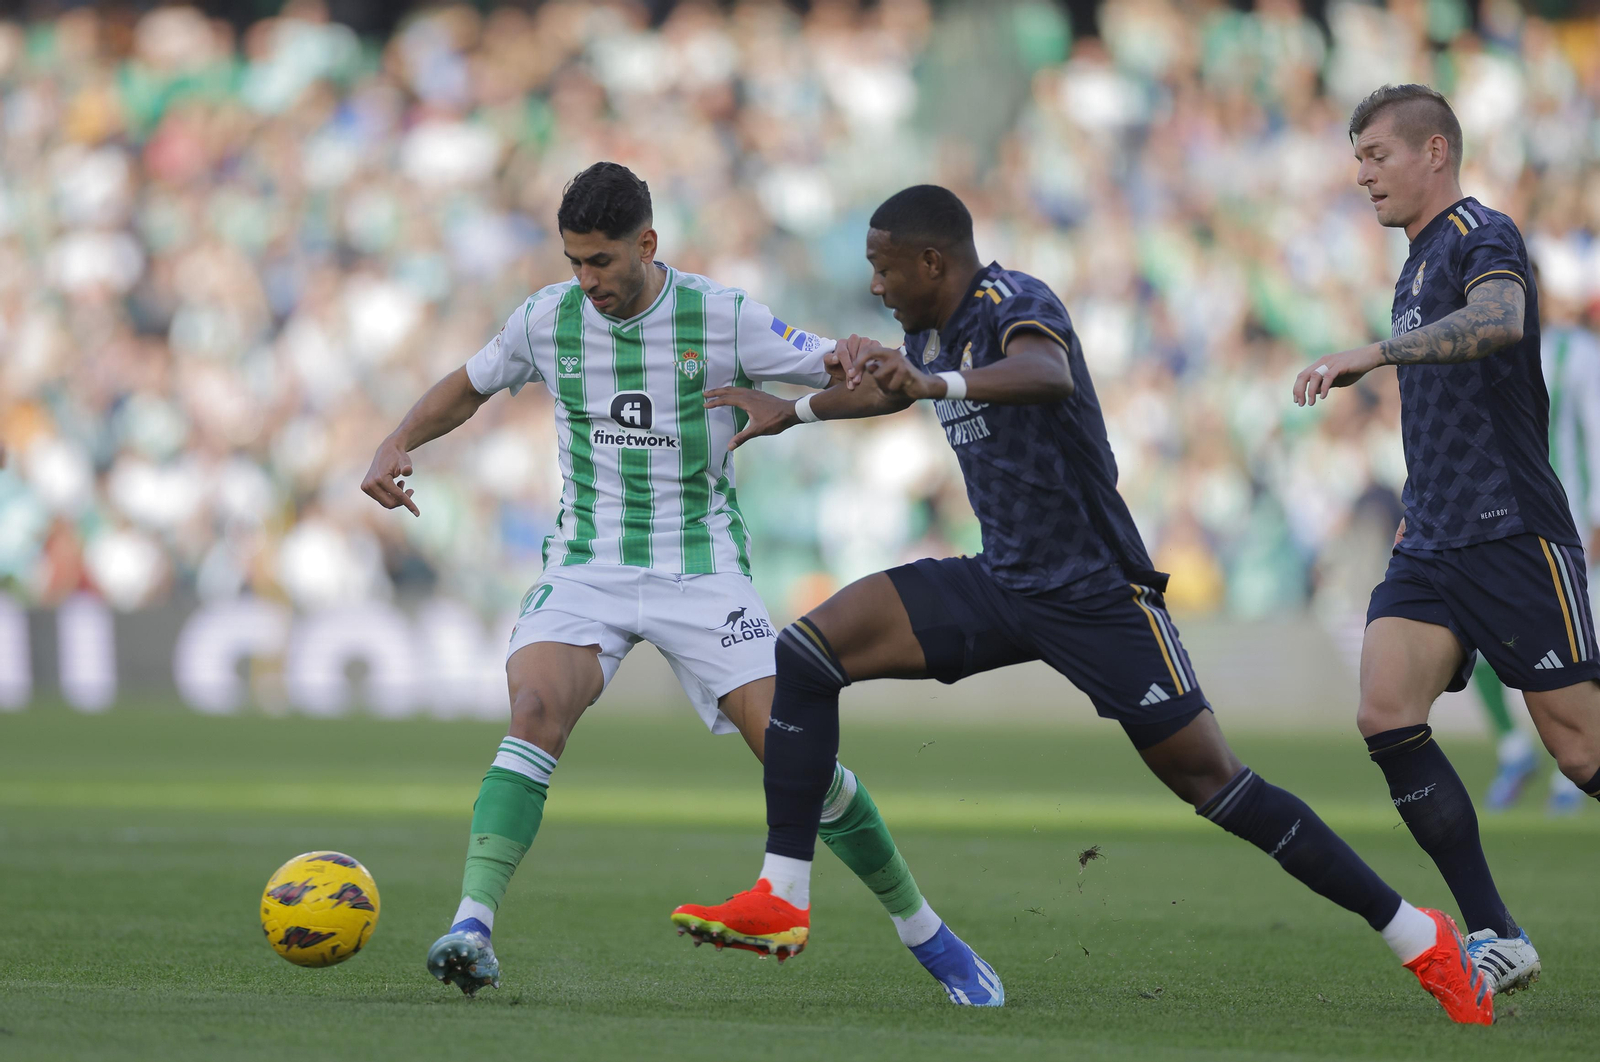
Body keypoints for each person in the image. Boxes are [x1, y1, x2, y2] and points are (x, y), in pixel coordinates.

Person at [671, 183, 1493, 1024]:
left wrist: (935, 380)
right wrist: (797, 410)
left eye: (884, 269)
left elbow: (1044, 373)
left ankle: (1417, 935)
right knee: (807, 652)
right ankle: (784, 891)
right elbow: (897, 388)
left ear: (931, 261)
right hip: (1006, 582)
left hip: (1100, 594)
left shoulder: (1015, 302)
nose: (875, 286)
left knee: (1216, 784)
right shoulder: (929, 329)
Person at [360, 162, 999, 1005]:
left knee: (795, 751)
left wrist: (863, 359)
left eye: (601, 262)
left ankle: (929, 935)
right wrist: (398, 438)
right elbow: (468, 387)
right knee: (535, 711)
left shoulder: (722, 316)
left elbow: (849, 380)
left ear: (647, 244)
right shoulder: (546, 318)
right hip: (587, 563)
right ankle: (472, 925)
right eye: (573, 261)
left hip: (701, 570)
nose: (586, 281)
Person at [1292, 83, 1600, 998]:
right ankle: (1498, 933)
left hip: (1512, 533)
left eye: (1375, 156)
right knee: (1386, 712)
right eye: (1356, 159)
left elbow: (1501, 319)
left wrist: (1376, 354)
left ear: (1435, 151)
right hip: (1431, 540)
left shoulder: (1481, 234)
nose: (1361, 175)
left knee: (1581, 753)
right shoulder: (1417, 259)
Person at [1478, 286, 1600, 815]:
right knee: (1481, 638)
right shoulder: (1485, 352)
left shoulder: (1575, 351)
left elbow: (1595, 431)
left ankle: (1571, 774)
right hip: (1505, 525)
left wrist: (1597, 516)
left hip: (1572, 525)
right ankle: (1514, 752)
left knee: (1580, 653)